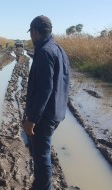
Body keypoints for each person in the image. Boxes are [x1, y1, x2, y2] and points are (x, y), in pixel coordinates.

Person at [22, 15, 70, 190]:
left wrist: (32, 119)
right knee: (42, 154)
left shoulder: (44, 52)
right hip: (55, 111)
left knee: (41, 157)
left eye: (31, 33)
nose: (31, 38)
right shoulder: (58, 49)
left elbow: (44, 89)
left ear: (35, 32)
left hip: (44, 115)